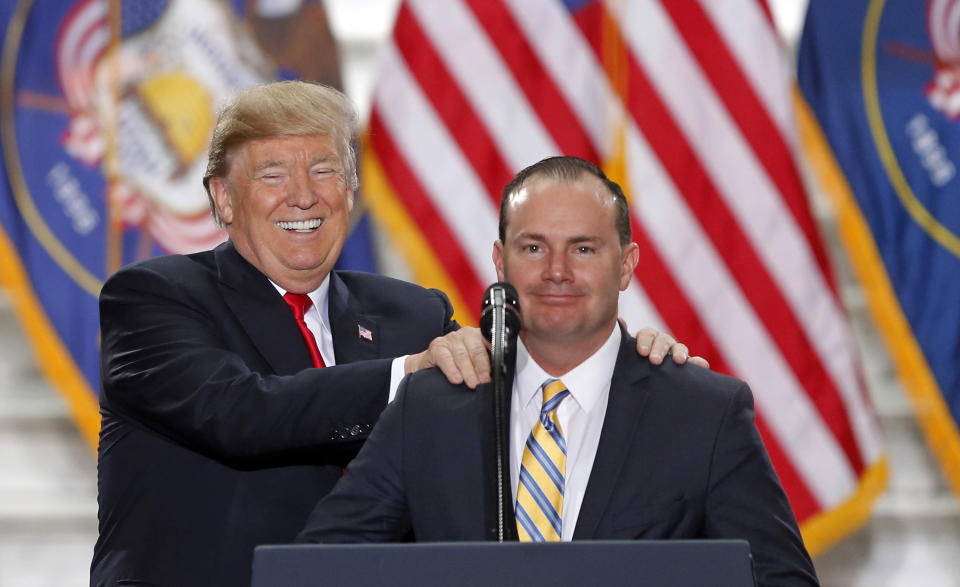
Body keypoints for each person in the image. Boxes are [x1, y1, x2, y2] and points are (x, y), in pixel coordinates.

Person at [91, 83, 696, 586]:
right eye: (273, 174)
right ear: (223, 198)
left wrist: (626, 363)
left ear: (350, 192)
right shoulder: (152, 297)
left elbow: (521, 401)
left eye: (324, 170)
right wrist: (404, 376)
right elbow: (237, 412)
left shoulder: (414, 315)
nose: (303, 195)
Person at [297, 156, 820, 587]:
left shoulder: (704, 413)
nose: (556, 272)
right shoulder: (430, 406)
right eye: (533, 248)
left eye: (584, 249)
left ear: (627, 265)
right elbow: (315, 570)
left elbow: (781, 581)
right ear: (501, 263)